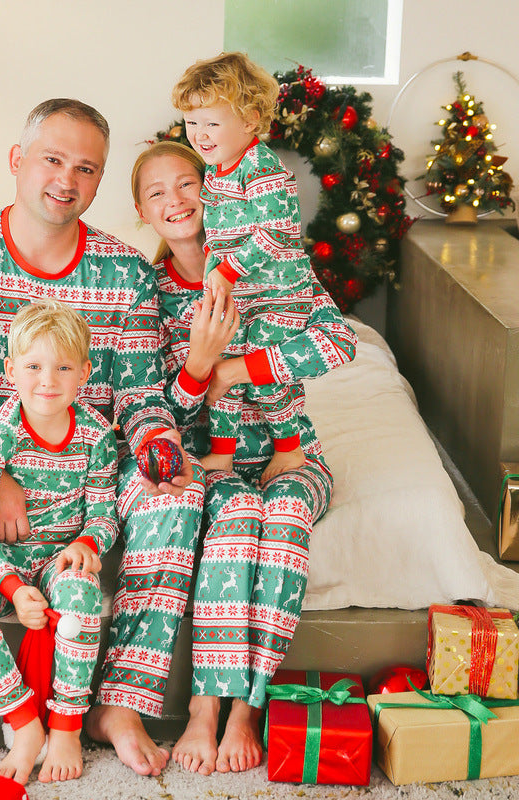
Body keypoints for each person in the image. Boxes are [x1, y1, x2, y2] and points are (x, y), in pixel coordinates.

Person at [0, 98, 204, 790]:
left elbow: (142, 397)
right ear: (17, 161)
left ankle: (119, 702)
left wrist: (159, 450)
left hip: (84, 457)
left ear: (98, 182)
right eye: (52, 159)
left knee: (179, 491)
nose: (66, 178)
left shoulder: (124, 275)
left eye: (86, 168)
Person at [131, 140, 357, 774]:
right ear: (143, 212)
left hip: (295, 457)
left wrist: (236, 367)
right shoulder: (150, 294)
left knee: (284, 526)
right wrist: (200, 364)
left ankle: (246, 711)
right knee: (231, 534)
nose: (175, 200)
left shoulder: (272, 262)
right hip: (216, 465)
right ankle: (205, 708)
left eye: (187, 183)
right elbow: (159, 413)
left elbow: (337, 342)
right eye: (157, 193)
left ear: (217, 192)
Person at [0, 300, 117, 785]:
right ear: (11, 369)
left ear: (83, 371)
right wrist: (13, 588)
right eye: (34, 366)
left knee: (81, 594)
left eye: (63, 367)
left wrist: (88, 544)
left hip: (57, 559)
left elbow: (104, 512)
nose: (48, 380)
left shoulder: (97, 436)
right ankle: (25, 724)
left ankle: (65, 725)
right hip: (5, 564)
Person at [171, 52, 315, 484]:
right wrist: (217, 283)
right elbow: (220, 236)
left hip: (278, 295)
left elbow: (277, 231)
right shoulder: (216, 174)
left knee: (266, 368)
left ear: (250, 120)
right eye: (191, 123)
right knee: (224, 368)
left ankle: (290, 450)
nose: (199, 134)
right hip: (241, 297)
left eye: (211, 123)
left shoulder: (262, 169)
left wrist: (227, 272)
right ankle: (223, 453)